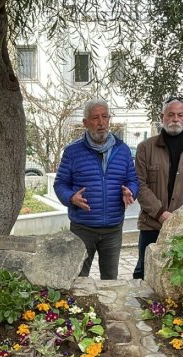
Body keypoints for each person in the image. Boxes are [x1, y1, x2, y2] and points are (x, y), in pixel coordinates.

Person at [54, 99, 138, 279]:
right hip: (83, 228)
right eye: (95, 118)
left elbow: (132, 179)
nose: (101, 123)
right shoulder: (72, 151)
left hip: (113, 229)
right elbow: (60, 183)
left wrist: (131, 191)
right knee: (78, 279)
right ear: (85, 123)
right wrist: (70, 198)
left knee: (110, 280)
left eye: (105, 117)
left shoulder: (122, 150)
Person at [133, 96, 183, 279]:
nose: (175, 119)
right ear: (162, 116)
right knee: (144, 272)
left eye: (180, 115)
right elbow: (139, 184)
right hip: (152, 223)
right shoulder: (145, 147)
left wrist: (181, 215)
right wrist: (161, 213)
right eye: (171, 114)